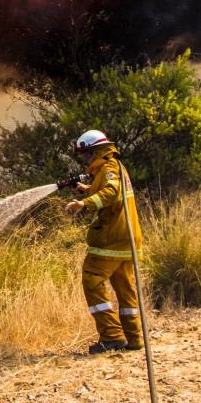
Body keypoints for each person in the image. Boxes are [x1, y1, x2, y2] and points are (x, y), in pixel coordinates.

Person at [60, 129, 143, 354]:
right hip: (128, 238)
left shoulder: (108, 169)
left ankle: (112, 336)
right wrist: (85, 191)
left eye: (86, 154)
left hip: (111, 238)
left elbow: (111, 192)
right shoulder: (117, 168)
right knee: (125, 287)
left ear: (96, 151)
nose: (85, 159)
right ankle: (134, 338)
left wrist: (83, 204)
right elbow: (106, 192)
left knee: (92, 278)